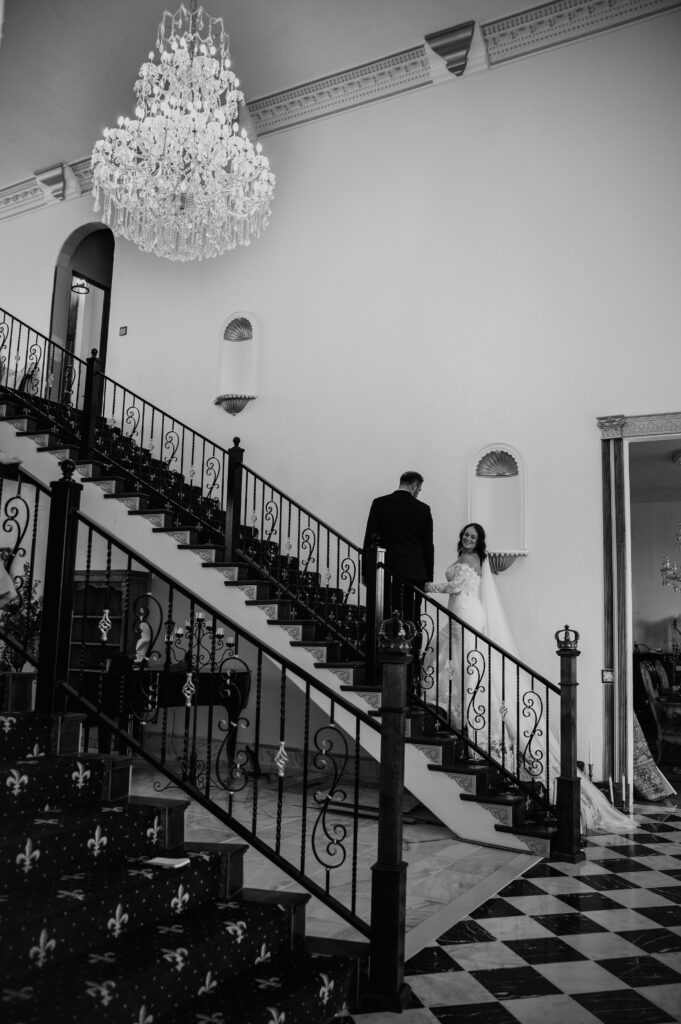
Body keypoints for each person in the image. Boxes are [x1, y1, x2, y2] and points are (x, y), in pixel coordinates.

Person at [425, 522, 635, 833]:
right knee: (456, 661)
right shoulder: (470, 559)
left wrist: (429, 587)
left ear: (479, 542)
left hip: (464, 612)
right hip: (465, 611)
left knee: (460, 662)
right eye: (466, 534)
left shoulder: (470, 561)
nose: (468, 538)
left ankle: (465, 716)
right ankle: (456, 711)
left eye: (474, 536)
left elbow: (455, 588)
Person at [363, 471, 434, 683]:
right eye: (419, 490)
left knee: (386, 618)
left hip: (386, 573)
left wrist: (366, 573)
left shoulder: (380, 503)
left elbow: (369, 540)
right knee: (412, 622)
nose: (418, 493)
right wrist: (427, 578)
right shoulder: (423, 509)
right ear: (414, 485)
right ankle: (410, 674)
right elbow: (427, 546)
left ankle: (382, 669)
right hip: (414, 576)